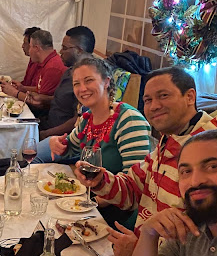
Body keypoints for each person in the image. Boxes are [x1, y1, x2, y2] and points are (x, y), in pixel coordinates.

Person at [72, 66, 217, 256]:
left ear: (190, 97)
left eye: (163, 95)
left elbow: (204, 242)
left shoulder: (213, 151)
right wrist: (100, 180)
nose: (154, 106)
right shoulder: (171, 140)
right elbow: (133, 189)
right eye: (148, 100)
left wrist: (140, 250)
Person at [49, 57, 150, 229]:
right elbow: (68, 147)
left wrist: (91, 201)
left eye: (89, 80)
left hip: (118, 217)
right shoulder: (87, 118)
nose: (82, 89)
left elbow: (136, 186)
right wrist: (54, 142)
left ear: (107, 82)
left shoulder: (129, 120)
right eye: (76, 84)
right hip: (92, 202)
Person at [39, 26, 96, 139]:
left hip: (63, 137)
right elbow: (65, 101)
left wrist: (46, 134)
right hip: (48, 124)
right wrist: (42, 99)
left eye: (65, 48)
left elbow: (80, 119)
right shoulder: (70, 70)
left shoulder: (90, 79)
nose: (60, 52)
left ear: (79, 50)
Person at [1, 29, 66, 119]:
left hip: (47, 117)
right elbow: (40, 89)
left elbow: (39, 103)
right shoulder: (46, 62)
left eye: (30, 47)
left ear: (36, 48)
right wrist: (23, 88)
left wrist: (14, 92)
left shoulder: (52, 67)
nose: (29, 50)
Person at [11, 26, 41, 92]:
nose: (22, 46)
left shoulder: (46, 64)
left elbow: (40, 90)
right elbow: (26, 83)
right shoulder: (32, 59)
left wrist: (20, 89)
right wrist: (15, 85)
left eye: (25, 43)